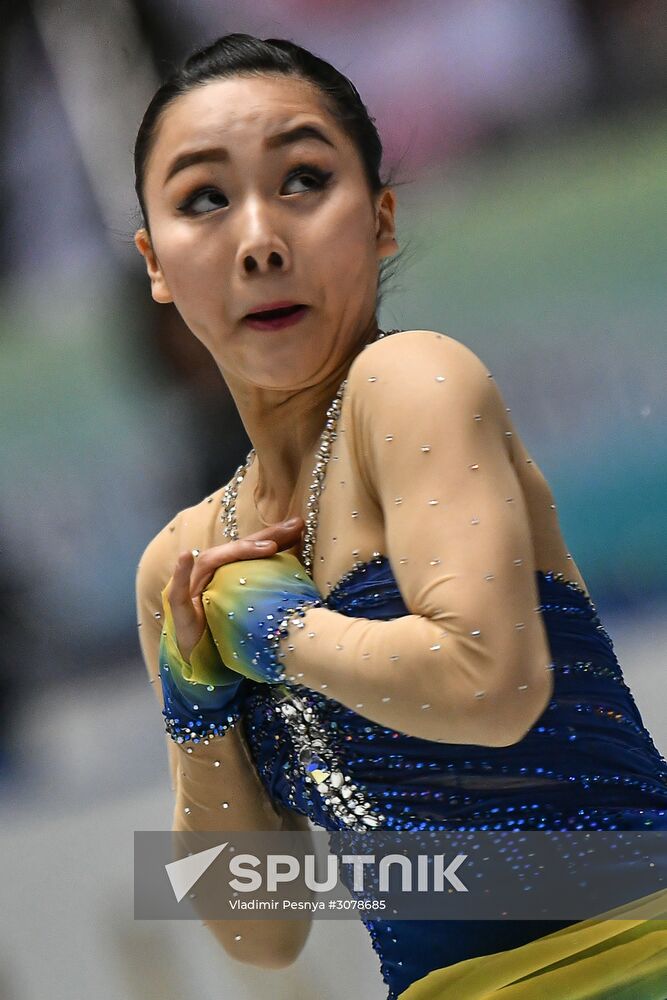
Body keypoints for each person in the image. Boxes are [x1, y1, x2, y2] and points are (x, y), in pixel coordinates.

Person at [133, 33, 667, 999]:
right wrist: (195, 700)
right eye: (203, 199)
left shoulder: (410, 380)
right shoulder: (180, 558)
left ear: (380, 220)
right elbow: (259, 930)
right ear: (155, 263)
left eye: (302, 180)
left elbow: (487, 687)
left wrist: (280, 634)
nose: (259, 242)